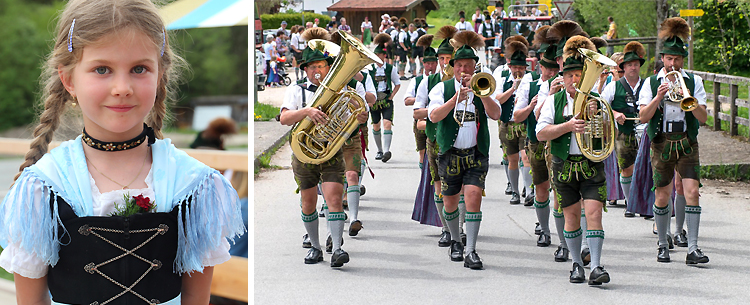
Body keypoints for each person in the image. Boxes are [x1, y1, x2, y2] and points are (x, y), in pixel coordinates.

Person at [0, 0, 245, 303]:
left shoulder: (193, 185)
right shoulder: (43, 187)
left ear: (159, 75)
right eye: (102, 69)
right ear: (68, 80)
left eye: (139, 69)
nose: (122, 87)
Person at [279, 27, 363, 268]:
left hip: (330, 151)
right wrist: (307, 111)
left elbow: (353, 114)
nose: (317, 71)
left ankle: (337, 248)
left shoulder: (339, 90)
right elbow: (284, 118)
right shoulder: (296, 90)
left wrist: (359, 117)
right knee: (308, 202)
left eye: (321, 66)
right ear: (305, 70)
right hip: (304, 153)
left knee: (335, 198)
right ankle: (315, 247)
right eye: (312, 67)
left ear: (328, 67)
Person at [536, 35, 610, 285]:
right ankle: (577, 264)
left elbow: (612, 136)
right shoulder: (553, 101)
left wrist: (597, 118)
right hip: (564, 166)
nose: (574, 80)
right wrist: (567, 126)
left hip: (591, 164)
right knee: (570, 217)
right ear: (563, 77)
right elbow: (540, 132)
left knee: (593, 212)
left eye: (578, 75)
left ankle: (597, 266)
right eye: (569, 76)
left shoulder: (597, 100)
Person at [638, 17, 708, 265]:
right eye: (669, 59)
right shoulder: (651, 82)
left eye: (677, 59)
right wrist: (657, 98)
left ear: (682, 59)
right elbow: (643, 116)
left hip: (687, 141)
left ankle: (693, 248)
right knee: (662, 195)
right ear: (663, 59)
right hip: (661, 142)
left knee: (692, 192)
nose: (673, 64)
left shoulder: (693, 81)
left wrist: (689, 101)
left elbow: (704, 118)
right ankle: (662, 244)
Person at [428, 30, 501, 269]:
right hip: (450, 154)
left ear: (474, 67)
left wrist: (483, 94)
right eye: (459, 65)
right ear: (452, 66)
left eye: (468, 66)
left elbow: (496, 114)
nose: (463, 70)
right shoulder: (442, 88)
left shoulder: (484, 87)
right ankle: (456, 242)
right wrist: (455, 100)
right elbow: (434, 116)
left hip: (475, 153)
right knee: (449, 202)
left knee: (472, 198)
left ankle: (471, 250)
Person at [413, 27, 469, 247]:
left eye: (449, 58)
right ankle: (446, 229)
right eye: (442, 58)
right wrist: (436, 113)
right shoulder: (429, 82)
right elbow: (417, 112)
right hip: (435, 138)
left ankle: (461, 228)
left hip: (459, 140)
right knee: (439, 185)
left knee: (461, 186)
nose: (445, 62)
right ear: (437, 60)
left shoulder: (461, 80)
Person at [514, 26, 559, 248]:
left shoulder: (567, 80)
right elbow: (519, 115)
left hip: (560, 143)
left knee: (560, 191)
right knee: (541, 188)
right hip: (537, 142)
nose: (552, 73)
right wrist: (546, 96)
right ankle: (545, 229)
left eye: (555, 68)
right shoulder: (529, 83)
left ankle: (565, 237)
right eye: (547, 68)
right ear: (540, 64)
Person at [600, 41, 646, 217]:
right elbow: (601, 105)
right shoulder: (614, 86)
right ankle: (630, 202)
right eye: (629, 65)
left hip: (645, 133)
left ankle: (642, 201)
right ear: (624, 68)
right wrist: (615, 113)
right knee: (626, 168)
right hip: (623, 132)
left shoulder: (647, 85)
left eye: (635, 64)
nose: (632, 68)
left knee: (645, 168)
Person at [493, 35, 533, 206]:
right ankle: (515, 192)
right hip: (507, 124)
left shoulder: (531, 78)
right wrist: (513, 88)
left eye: (521, 68)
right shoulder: (502, 77)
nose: (518, 71)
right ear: (510, 66)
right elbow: (498, 99)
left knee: (526, 157)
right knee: (512, 159)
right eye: (515, 67)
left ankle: (529, 191)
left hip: (525, 124)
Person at [370, 33, 402, 162]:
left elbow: (398, 83)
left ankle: (387, 151)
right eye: (376, 56)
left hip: (386, 99)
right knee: (376, 126)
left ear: (384, 56)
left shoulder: (390, 68)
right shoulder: (369, 69)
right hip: (374, 101)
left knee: (387, 123)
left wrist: (392, 95)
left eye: (380, 55)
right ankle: (379, 150)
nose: (378, 58)